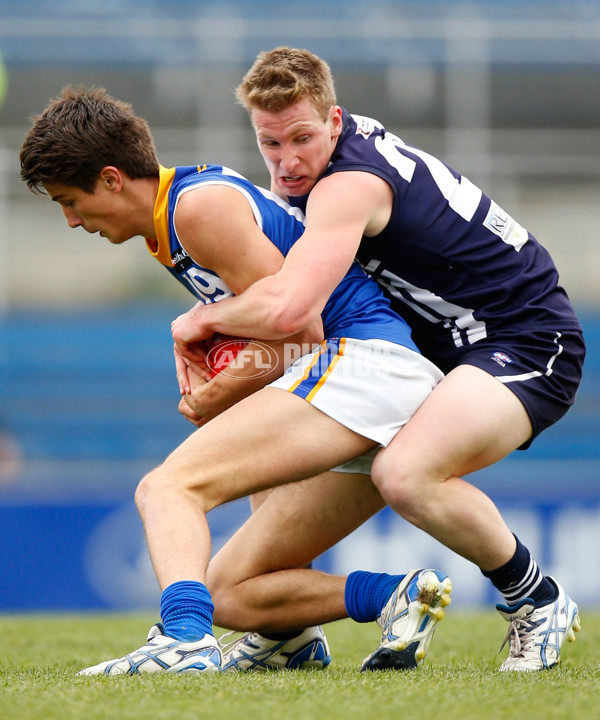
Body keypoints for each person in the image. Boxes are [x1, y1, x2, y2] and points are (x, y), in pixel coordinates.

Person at [170, 47, 585, 672]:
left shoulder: (346, 186)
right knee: (251, 534)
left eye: (302, 138)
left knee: (406, 474)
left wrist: (197, 319)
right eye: (270, 143)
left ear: (335, 122)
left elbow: (290, 311)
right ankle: (289, 630)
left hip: (525, 339)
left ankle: (537, 601)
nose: (286, 162)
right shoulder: (332, 167)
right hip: (446, 354)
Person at [20, 86, 452, 675]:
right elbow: (286, 338)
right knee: (231, 589)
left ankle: (185, 642)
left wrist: (226, 385)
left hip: (369, 361)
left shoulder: (197, 209)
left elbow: (302, 327)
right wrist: (232, 379)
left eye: (71, 200)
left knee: (168, 489)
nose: (71, 220)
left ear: (114, 178)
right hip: (371, 374)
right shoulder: (172, 221)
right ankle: (321, 623)